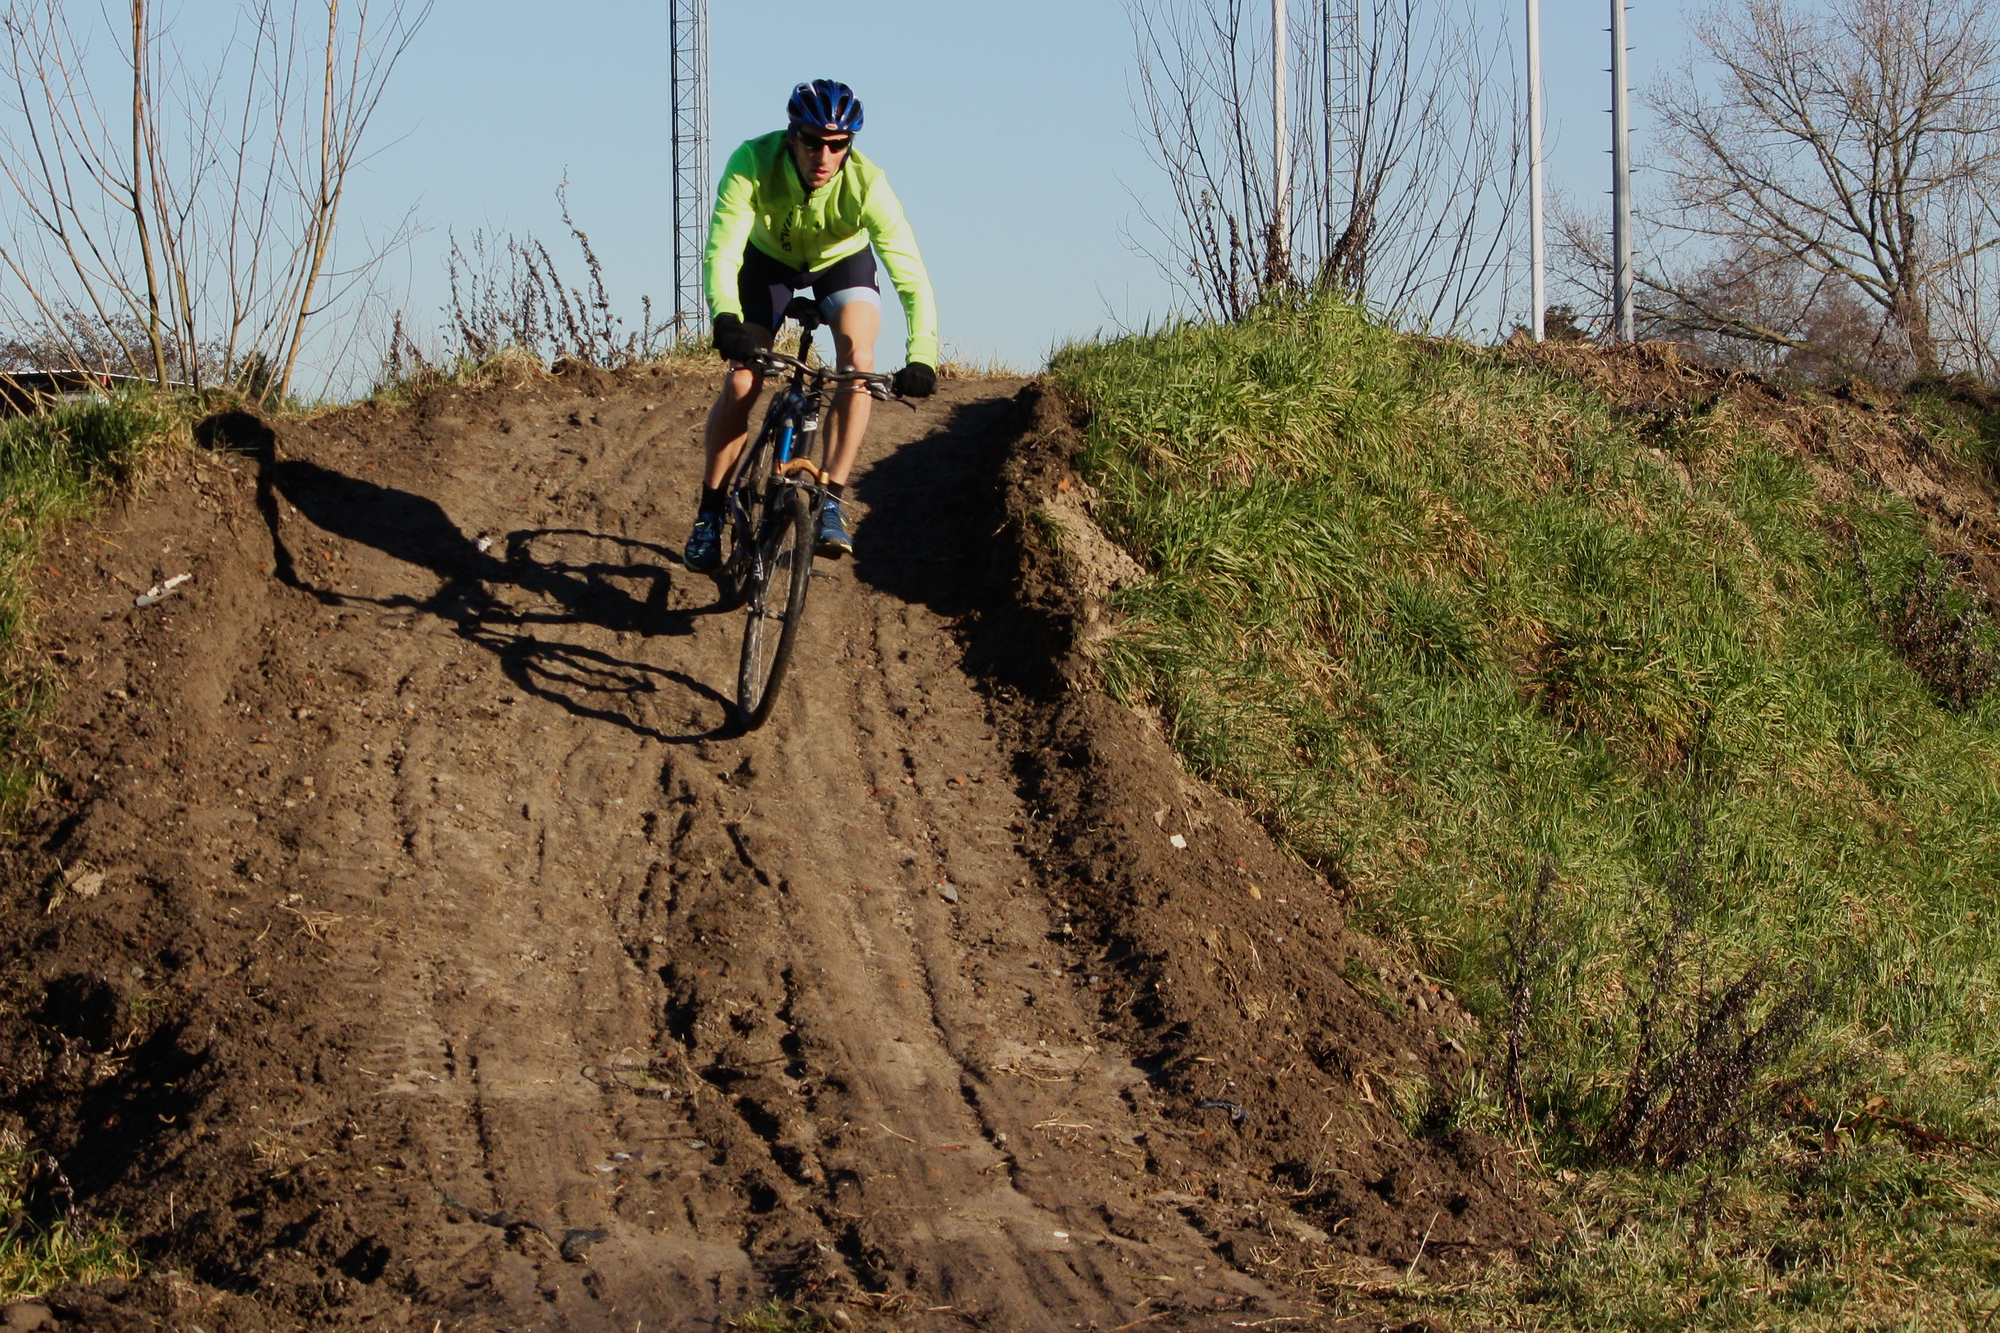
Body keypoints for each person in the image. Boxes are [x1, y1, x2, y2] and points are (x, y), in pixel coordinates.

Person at [683, 79, 938, 574]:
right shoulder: (752, 162)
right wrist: (726, 317)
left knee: (858, 363)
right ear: (791, 135)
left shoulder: (868, 185)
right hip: (766, 263)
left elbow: (911, 276)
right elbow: (723, 249)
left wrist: (922, 355)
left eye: (838, 145)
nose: (824, 156)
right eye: (812, 141)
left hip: (840, 264)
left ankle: (830, 501)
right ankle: (710, 512)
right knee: (742, 380)